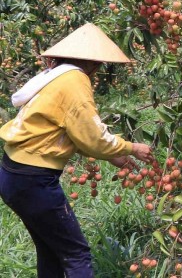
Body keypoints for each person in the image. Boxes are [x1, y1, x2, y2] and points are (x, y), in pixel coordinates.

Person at [0, 23, 154, 277]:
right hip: (34, 180)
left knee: (51, 250)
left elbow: (66, 129)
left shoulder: (55, 77)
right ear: (92, 64)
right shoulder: (75, 80)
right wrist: (132, 147)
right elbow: (92, 135)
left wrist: (113, 154)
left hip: (13, 175)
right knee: (76, 254)